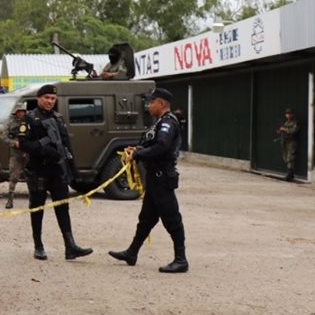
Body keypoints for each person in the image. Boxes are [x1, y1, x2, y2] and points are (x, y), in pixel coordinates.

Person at [109, 87, 187, 273]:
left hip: (162, 177)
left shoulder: (168, 123)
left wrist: (139, 154)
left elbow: (162, 146)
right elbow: (151, 143)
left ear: (161, 103)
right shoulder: (158, 123)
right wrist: (136, 149)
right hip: (154, 177)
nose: (148, 105)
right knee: (146, 218)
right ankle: (132, 252)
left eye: (151, 102)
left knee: (172, 219)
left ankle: (181, 260)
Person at [14, 84, 92, 261]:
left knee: (63, 207)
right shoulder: (29, 119)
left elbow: (66, 145)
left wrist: (73, 170)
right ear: (39, 98)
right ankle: (38, 246)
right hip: (38, 170)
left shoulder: (58, 118)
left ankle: (70, 246)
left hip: (57, 170)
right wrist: (44, 148)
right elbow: (23, 144)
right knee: (37, 208)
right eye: (46, 98)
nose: (50, 101)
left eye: (53, 98)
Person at [3, 106, 29, 209]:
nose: (22, 113)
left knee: (30, 176)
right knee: (14, 176)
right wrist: (14, 143)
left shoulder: (28, 121)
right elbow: (4, 136)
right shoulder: (10, 122)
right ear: (16, 112)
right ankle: (10, 199)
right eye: (20, 111)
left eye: (23, 111)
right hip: (15, 153)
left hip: (27, 152)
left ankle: (33, 199)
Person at [276, 108, 299, 181]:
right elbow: (283, 131)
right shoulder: (286, 122)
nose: (288, 115)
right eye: (287, 114)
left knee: (290, 158)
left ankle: (290, 174)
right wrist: (280, 131)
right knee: (285, 157)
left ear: (292, 114)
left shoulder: (295, 122)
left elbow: (294, 131)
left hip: (291, 142)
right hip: (285, 141)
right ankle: (290, 174)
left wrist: (284, 129)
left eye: (289, 113)